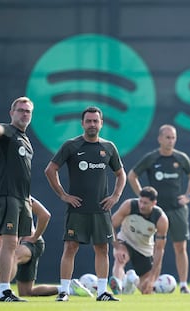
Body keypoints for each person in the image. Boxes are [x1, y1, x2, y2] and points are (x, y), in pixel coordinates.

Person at [45, 106, 126, 302]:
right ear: (82, 124)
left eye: (95, 121)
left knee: (102, 249)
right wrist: (64, 195)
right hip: (77, 210)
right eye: (88, 121)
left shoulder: (108, 147)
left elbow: (121, 174)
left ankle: (102, 292)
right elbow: (50, 170)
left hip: (101, 210)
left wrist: (115, 196)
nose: (92, 124)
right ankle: (64, 291)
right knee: (70, 247)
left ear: (101, 123)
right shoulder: (71, 146)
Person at [127, 124, 190, 294]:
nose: (171, 140)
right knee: (150, 248)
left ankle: (183, 285)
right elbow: (132, 175)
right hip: (156, 212)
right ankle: (144, 281)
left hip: (176, 209)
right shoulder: (151, 158)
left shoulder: (181, 158)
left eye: (173, 137)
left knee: (180, 247)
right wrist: (143, 198)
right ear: (159, 139)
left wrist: (188, 196)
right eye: (167, 137)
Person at [0, 96, 34, 302]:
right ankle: (3, 290)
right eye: (20, 110)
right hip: (8, 195)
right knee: (9, 243)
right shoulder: (8, 131)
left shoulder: (25, 139)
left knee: (14, 245)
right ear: (12, 113)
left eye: (27, 111)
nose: (24, 114)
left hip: (22, 198)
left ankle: (3, 288)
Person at [109, 186, 169, 295]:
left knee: (146, 290)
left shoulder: (161, 219)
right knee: (120, 259)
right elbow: (110, 225)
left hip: (144, 249)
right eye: (140, 201)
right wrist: (117, 247)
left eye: (145, 203)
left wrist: (152, 278)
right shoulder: (129, 205)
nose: (141, 205)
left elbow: (159, 250)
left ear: (154, 203)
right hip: (125, 241)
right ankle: (118, 285)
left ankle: (132, 279)